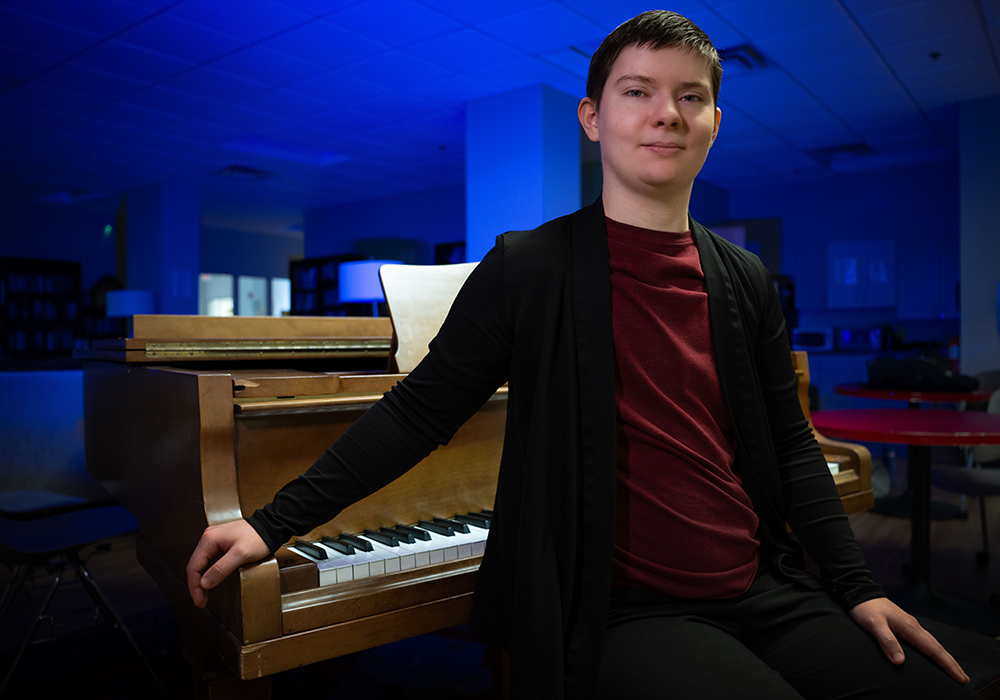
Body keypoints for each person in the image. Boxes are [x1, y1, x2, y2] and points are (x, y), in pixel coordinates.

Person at [187, 10, 977, 699]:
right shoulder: (529, 267)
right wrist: (270, 524)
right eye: (637, 92)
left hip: (763, 584)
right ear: (593, 118)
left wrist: (858, 588)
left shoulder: (745, 277)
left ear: (714, 121)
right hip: (622, 610)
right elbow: (417, 414)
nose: (666, 114)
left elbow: (791, 442)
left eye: (690, 96)